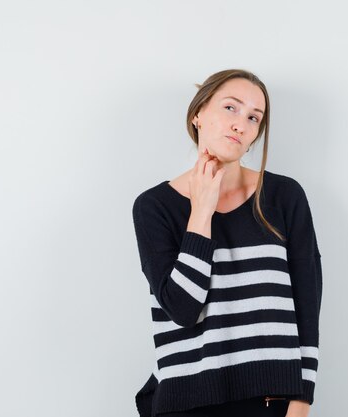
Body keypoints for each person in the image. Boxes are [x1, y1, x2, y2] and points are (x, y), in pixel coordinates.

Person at [131, 69, 323, 417]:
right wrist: (201, 212)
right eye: (231, 108)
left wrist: (302, 399)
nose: (241, 124)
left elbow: (307, 301)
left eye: (254, 117)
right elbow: (183, 309)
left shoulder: (283, 196)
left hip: (271, 398)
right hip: (188, 401)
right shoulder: (154, 206)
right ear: (198, 114)